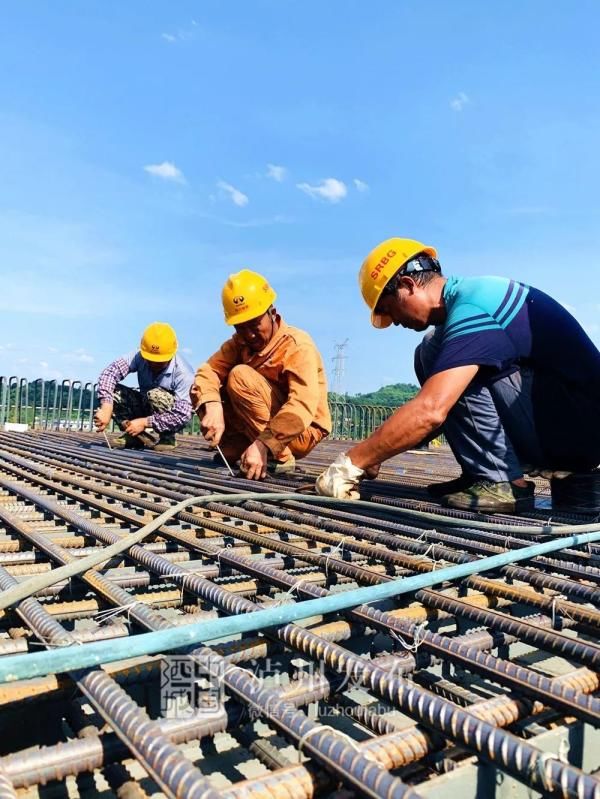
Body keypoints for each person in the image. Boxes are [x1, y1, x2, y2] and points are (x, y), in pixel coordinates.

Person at [316, 237, 600, 513]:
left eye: (390, 310)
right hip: (564, 423)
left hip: (581, 429)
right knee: (430, 349)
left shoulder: (475, 305)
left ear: (407, 285)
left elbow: (432, 410)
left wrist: (351, 462)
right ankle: (481, 471)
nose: (395, 323)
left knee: (453, 366)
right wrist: (376, 452)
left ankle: (502, 481)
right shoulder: (465, 304)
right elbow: (443, 415)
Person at [191, 269, 331, 479]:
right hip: (263, 424)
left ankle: (278, 455)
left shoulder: (297, 345)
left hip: (301, 430)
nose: (249, 335)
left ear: (272, 313)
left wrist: (265, 443)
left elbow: (301, 405)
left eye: (255, 324)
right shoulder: (239, 344)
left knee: (239, 376)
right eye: (241, 327)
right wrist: (212, 406)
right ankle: (243, 445)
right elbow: (207, 372)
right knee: (203, 391)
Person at [94, 322, 194, 451]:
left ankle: (167, 437)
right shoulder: (138, 356)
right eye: (151, 359)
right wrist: (106, 406)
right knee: (113, 392)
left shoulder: (184, 373)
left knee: (155, 395)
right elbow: (110, 374)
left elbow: (182, 415)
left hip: (170, 417)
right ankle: (135, 435)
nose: (154, 364)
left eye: (160, 361)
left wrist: (145, 422)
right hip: (144, 404)